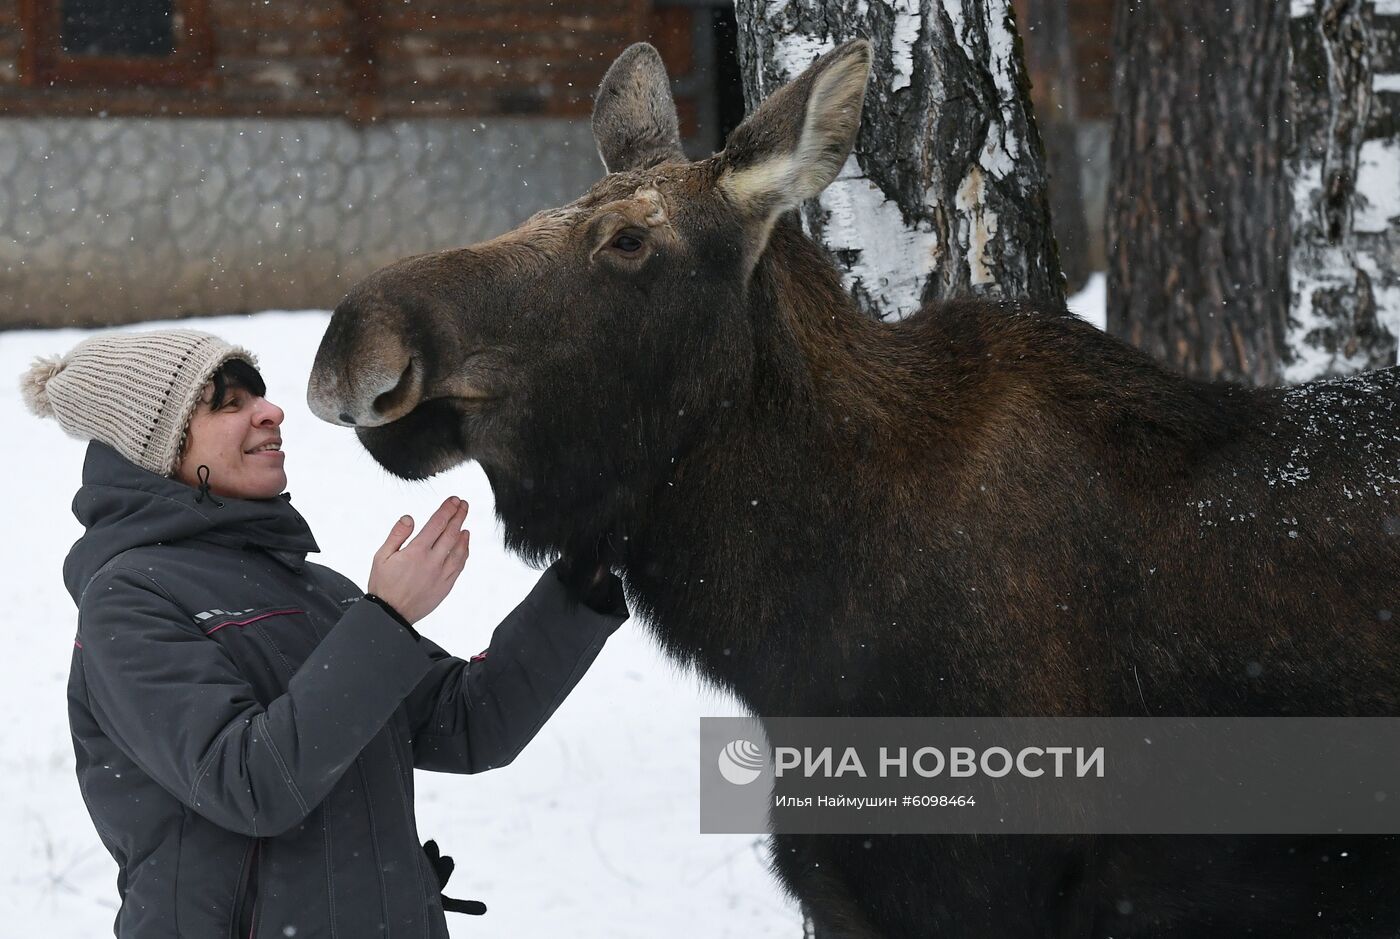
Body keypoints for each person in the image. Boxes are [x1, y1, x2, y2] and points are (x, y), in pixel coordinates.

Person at [21, 328, 628, 939]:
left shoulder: (315, 589)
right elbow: (249, 783)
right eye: (228, 405)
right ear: (156, 448)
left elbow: (471, 723)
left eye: (258, 396)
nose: (272, 411)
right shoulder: (129, 601)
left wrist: (583, 580)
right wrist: (385, 620)